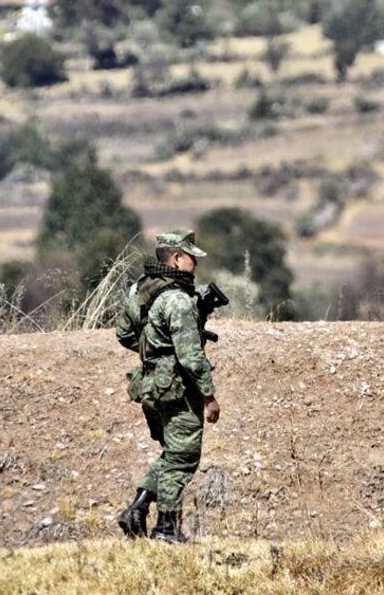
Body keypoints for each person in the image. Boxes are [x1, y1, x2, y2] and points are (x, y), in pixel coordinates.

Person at [114, 229, 221, 543]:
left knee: (173, 453)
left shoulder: (140, 289)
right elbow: (190, 356)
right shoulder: (177, 299)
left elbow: (124, 334)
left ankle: (138, 508)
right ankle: (166, 529)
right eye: (191, 258)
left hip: (152, 385)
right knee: (183, 458)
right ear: (176, 258)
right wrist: (209, 397)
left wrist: (155, 353)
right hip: (177, 389)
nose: (195, 265)